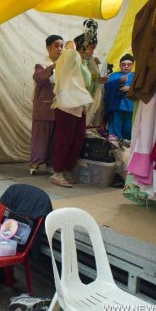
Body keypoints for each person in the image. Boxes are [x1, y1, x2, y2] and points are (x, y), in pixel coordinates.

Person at [50, 20, 97, 188]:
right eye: (91, 47)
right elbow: (70, 53)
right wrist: (73, 44)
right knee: (64, 139)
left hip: (79, 105)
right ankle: (57, 172)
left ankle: (67, 170)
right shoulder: (71, 56)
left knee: (77, 139)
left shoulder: (84, 62)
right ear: (83, 46)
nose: (92, 51)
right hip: (66, 105)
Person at [29, 35, 63, 175]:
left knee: (56, 137)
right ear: (48, 47)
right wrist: (53, 67)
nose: (59, 49)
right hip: (44, 108)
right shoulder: (41, 65)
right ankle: (35, 163)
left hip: (60, 107)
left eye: (61, 46)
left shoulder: (65, 66)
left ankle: (51, 164)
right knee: (40, 137)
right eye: (56, 45)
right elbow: (38, 78)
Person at [103, 54, 135, 140]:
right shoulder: (114, 76)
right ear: (120, 65)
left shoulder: (136, 76)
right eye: (123, 65)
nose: (126, 67)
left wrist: (130, 88)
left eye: (129, 64)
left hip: (130, 107)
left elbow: (141, 88)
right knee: (115, 126)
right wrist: (118, 81)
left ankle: (126, 143)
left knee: (128, 128)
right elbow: (107, 87)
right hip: (117, 106)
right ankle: (115, 143)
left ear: (133, 65)